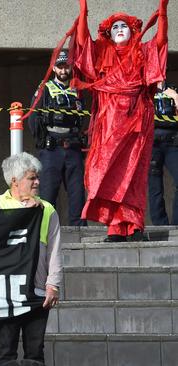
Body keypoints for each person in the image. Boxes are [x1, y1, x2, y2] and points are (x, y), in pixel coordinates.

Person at [70, 0, 168, 241]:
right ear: (108, 34)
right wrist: (83, 10)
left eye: (124, 25)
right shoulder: (103, 52)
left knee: (133, 173)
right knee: (106, 173)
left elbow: (161, 43)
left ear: (132, 30)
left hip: (136, 119)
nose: (120, 29)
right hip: (109, 122)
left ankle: (133, 225)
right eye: (115, 27)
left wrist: (164, 12)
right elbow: (83, 43)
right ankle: (114, 225)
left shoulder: (142, 52)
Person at [0, 152, 62, 366]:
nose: (37, 182)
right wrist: (24, 213)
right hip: (7, 291)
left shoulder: (47, 209)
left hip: (37, 292)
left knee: (35, 352)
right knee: (6, 350)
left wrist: (53, 285)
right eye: (31, 178)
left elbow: (55, 251)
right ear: (14, 181)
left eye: (37, 177)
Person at [28, 50, 87, 226]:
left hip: (73, 148)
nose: (63, 70)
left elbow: (82, 117)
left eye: (66, 66)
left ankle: (79, 230)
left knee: (77, 193)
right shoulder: (45, 88)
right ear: (54, 68)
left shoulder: (76, 89)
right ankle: (45, 230)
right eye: (60, 67)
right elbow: (33, 118)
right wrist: (43, 143)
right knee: (48, 193)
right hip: (52, 148)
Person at [149, 81, 178, 224]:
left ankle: (176, 225)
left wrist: (176, 97)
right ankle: (160, 225)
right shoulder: (144, 90)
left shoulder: (173, 90)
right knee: (154, 186)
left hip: (172, 142)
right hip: (151, 142)